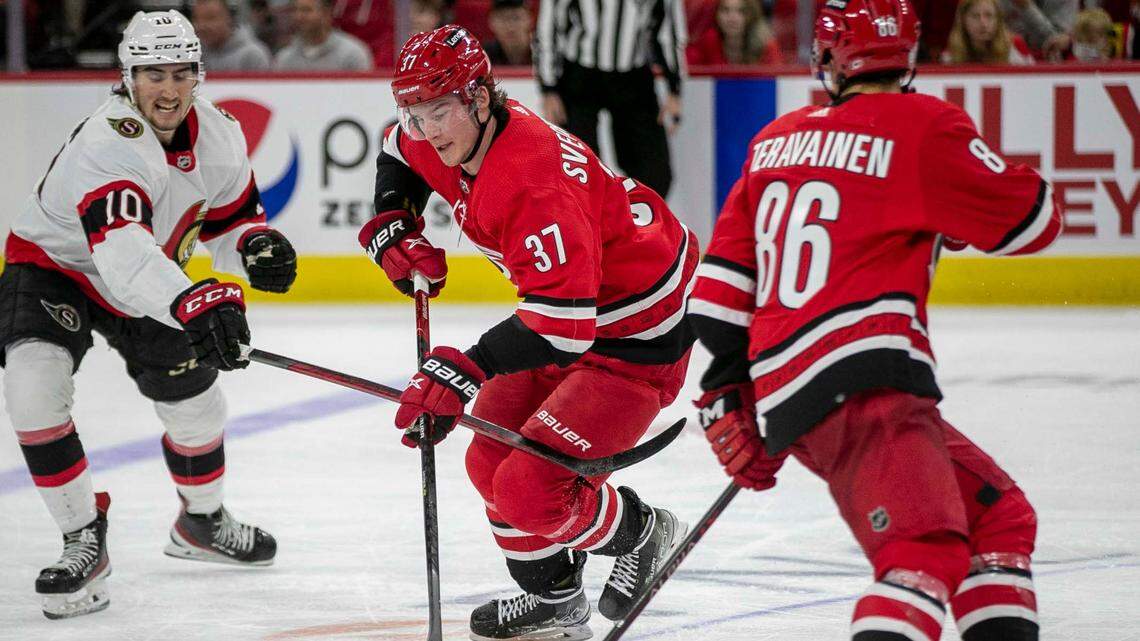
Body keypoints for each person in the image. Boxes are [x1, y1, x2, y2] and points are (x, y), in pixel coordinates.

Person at [687, 1, 1060, 640]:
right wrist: (957, 202)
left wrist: (726, 396)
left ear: (829, 57)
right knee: (923, 552)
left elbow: (720, 292)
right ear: (907, 55)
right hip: (868, 380)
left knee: (996, 520)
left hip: (787, 393)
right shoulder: (924, 126)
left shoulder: (775, 139)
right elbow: (1034, 220)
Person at [359, 25, 699, 641]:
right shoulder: (445, 135)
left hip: (635, 340)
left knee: (529, 490)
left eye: (439, 111)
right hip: (570, 317)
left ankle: (646, 532)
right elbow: (395, 153)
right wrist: (392, 222)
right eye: (415, 112)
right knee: (490, 459)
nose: (427, 129)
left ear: (480, 98)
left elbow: (564, 327)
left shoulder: (534, 180)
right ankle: (557, 600)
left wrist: (465, 368)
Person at [0, 10, 296, 620]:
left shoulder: (219, 133)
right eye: (152, 73)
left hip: (151, 276)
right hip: (56, 266)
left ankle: (202, 522)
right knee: (33, 388)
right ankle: (83, 537)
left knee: (197, 404)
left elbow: (231, 219)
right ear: (128, 76)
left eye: (181, 73)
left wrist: (254, 245)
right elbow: (122, 253)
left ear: (199, 74)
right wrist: (192, 299)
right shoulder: (108, 141)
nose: (168, 88)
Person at [535, 0, 686, 197]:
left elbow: (669, 25)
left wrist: (674, 87)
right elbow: (550, 20)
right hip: (580, 76)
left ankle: (637, 225)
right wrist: (549, 87)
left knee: (654, 174)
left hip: (634, 74)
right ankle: (590, 226)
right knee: (578, 171)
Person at [274, 0, 373, 70]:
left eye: (306, 10)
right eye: (295, 10)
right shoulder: (285, 58)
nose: (299, 16)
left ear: (326, 13)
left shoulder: (351, 55)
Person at [686, 0, 782, 65]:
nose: (732, 18)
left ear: (751, 14)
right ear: (716, 14)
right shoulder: (708, 40)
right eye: (725, 10)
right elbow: (684, 66)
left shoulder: (766, 45)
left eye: (741, 11)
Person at [943, 0, 1035, 64]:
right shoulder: (952, 51)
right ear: (963, 20)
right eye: (975, 16)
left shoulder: (1015, 45)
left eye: (989, 16)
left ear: (998, 20)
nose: (983, 23)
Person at [191, 0, 273, 70]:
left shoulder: (252, 55)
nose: (201, 25)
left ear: (229, 18)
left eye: (210, 18)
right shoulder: (191, 54)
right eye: (196, 19)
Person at [484, 0, 534, 66]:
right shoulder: (484, 56)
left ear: (530, 19)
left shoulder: (545, 52)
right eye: (502, 19)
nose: (510, 27)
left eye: (516, 18)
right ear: (491, 22)